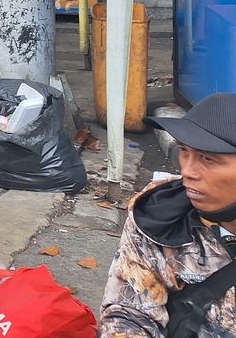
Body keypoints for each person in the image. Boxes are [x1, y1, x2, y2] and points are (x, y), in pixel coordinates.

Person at [100, 93, 236, 337]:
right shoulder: (158, 216)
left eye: (208, 158)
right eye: (184, 151)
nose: (187, 171)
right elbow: (130, 313)